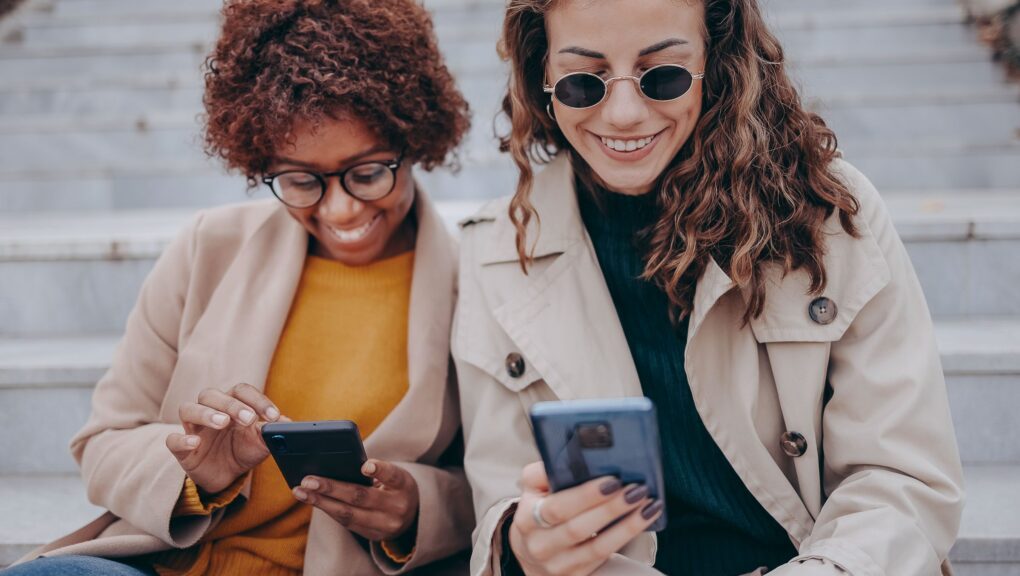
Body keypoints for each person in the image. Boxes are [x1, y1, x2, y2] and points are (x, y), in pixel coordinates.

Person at [453, 0, 964, 575]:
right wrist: (526, 544)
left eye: (662, 76)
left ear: (717, 61)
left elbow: (901, 479)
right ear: (541, 77)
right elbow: (503, 495)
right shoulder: (494, 249)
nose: (622, 113)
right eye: (582, 81)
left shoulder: (830, 211)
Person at [7, 0, 473, 574]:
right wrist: (196, 474)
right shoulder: (209, 248)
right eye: (301, 181)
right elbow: (102, 442)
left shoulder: (470, 278)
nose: (341, 207)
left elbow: (499, 474)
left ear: (415, 136)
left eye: (370, 171)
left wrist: (415, 508)